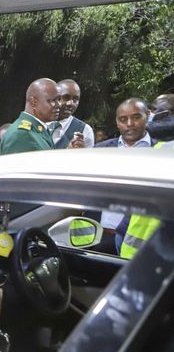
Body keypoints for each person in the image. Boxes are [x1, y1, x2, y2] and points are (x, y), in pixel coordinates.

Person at [96, 98, 159, 254]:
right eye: (123, 119)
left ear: (148, 115)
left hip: (142, 242)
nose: (130, 124)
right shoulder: (100, 150)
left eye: (136, 117)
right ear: (117, 122)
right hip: (101, 236)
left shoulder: (161, 151)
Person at [0, 78, 60, 155]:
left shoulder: (37, 129)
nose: (58, 105)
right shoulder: (22, 135)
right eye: (52, 100)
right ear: (33, 102)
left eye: (59, 99)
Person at [51, 79, 94, 149]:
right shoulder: (39, 122)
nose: (70, 103)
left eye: (75, 99)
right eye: (65, 97)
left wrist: (82, 153)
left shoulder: (85, 130)